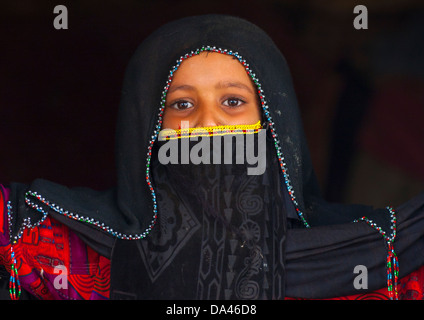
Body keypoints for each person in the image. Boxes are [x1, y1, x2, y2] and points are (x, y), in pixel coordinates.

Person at [1, 14, 424, 300]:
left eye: (233, 102)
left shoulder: (373, 254)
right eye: (182, 105)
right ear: (147, 130)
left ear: (273, 123)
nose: (208, 124)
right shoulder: (56, 244)